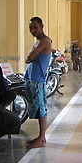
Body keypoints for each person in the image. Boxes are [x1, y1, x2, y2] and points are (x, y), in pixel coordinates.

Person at [25, 17, 52, 148]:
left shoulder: (45, 41)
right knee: (37, 107)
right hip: (32, 78)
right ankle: (40, 136)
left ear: (42, 26)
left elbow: (30, 57)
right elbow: (28, 58)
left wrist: (32, 56)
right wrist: (31, 56)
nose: (33, 30)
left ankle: (42, 138)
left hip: (38, 79)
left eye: (35, 27)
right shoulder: (38, 42)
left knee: (41, 108)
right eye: (30, 28)